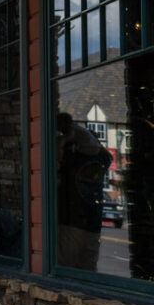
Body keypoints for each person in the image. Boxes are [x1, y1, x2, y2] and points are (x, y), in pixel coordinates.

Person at [56, 112, 111, 270]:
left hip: (71, 223)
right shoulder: (100, 160)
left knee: (64, 271)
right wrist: (94, 141)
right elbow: (108, 157)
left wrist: (66, 139)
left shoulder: (71, 160)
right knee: (88, 272)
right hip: (93, 224)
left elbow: (56, 161)